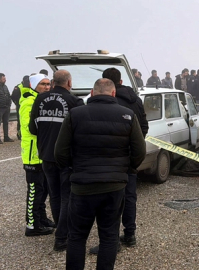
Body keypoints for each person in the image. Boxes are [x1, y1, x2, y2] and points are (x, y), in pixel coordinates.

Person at [55, 78, 146, 270]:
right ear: (113, 93)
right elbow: (139, 152)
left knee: (77, 236)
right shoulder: (127, 115)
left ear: (92, 92)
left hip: (82, 187)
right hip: (114, 186)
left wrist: (74, 169)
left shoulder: (75, 114)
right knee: (109, 236)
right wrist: (126, 170)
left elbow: (60, 152)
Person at [87, 68, 148, 254]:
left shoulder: (98, 104)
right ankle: (130, 234)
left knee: (108, 200)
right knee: (129, 197)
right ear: (120, 81)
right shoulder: (135, 99)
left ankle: (111, 242)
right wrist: (133, 150)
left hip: (106, 158)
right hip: (128, 157)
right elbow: (144, 127)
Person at [29, 70, 84, 251]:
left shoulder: (40, 99)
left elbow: (33, 128)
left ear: (53, 82)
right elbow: (79, 132)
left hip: (45, 155)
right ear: (69, 82)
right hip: (66, 157)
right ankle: (62, 236)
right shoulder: (74, 101)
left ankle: (61, 232)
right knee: (67, 196)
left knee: (54, 195)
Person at [20, 73, 54, 236]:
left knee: (44, 189)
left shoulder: (43, 101)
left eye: (48, 84)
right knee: (34, 190)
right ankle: (32, 225)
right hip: (32, 154)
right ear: (34, 86)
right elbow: (28, 127)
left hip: (42, 153)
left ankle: (41, 218)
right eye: (43, 84)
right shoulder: (28, 102)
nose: (47, 87)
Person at [11, 75, 30, 140]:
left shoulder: (30, 86)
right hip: (20, 106)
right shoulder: (18, 87)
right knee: (20, 121)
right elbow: (13, 97)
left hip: (27, 106)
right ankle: (19, 134)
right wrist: (17, 104)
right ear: (23, 81)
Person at [0, 73, 13, 143]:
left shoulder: (5, 87)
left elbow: (8, 95)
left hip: (6, 108)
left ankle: (6, 137)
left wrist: (9, 104)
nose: (5, 80)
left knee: (6, 123)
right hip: (0, 108)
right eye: (3, 78)